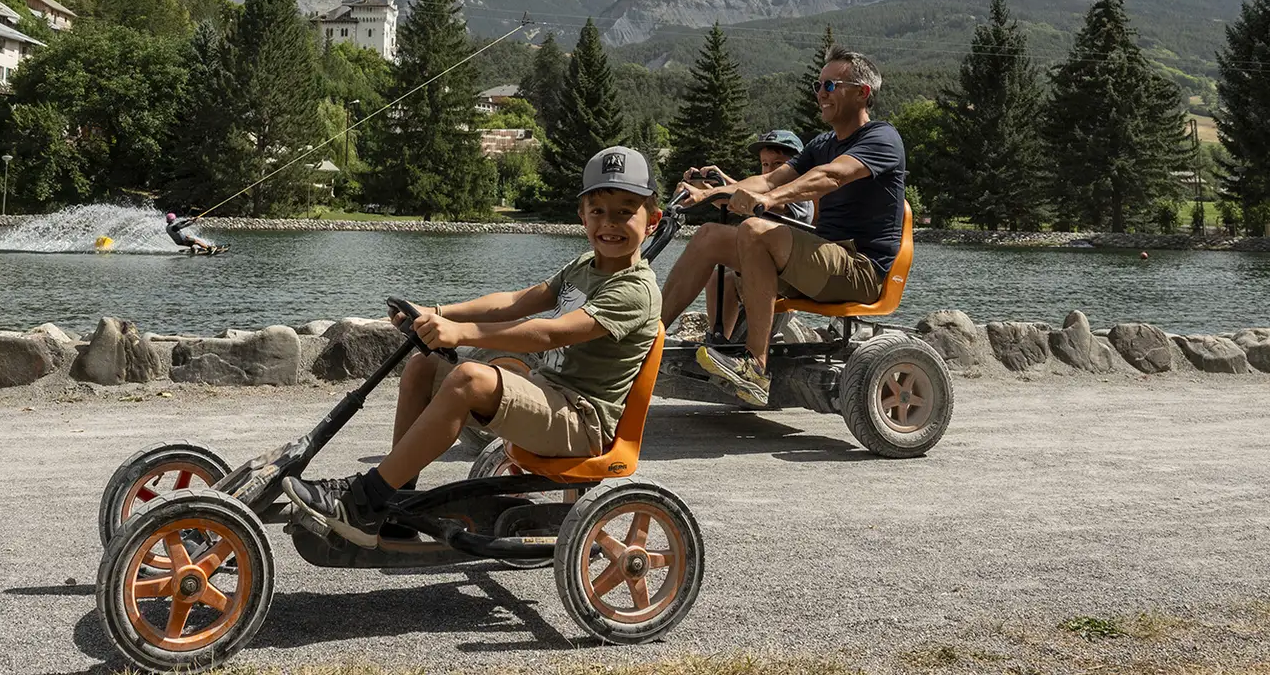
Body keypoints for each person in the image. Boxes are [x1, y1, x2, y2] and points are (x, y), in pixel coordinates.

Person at [284, 146, 663, 542]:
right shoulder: (585, 265)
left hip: (582, 421)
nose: (609, 223)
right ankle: (395, 505)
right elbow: (515, 301)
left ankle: (364, 501)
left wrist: (461, 333)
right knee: (424, 365)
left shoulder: (634, 289)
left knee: (469, 379)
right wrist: (438, 312)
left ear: (652, 220)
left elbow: (552, 332)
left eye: (625, 211)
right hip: (549, 394)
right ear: (582, 216)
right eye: (598, 210)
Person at [658, 49, 905, 407]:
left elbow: (831, 176)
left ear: (862, 93)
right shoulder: (822, 144)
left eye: (830, 85)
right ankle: (645, 341)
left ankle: (755, 368)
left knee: (755, 231)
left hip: (860, 270)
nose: (820, 93)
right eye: (818, 85)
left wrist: (771, 199)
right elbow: (769, 179)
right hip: (823, 261)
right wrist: (706, 194)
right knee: (709, 236)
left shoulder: (882, 138)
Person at [691, 130, 806, 340]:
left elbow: (752, 202)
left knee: (721, 266)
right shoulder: (766, 194)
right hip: (766, 267)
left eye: (778, 164)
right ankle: (718, 339)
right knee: (718, 278)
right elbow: (734, 201)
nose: (769, 170)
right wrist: (703, 188)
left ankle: (725, 341)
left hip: (790, 274)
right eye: (765, 164)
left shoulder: (799, 194)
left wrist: (715, 188)